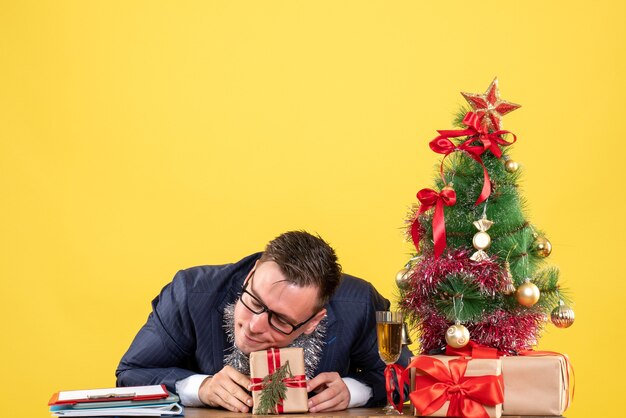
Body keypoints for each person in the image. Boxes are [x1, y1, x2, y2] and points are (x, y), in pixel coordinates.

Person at [116, 230, 410, 413]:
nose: (255, 325)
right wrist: (199, 387)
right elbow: (130, 373)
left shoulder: (358, 303)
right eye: (254, 301)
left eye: (281, 320)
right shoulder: (190, 292)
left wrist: (354, 391)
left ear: (313, 321)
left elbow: (408, 376)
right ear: (251, 274)